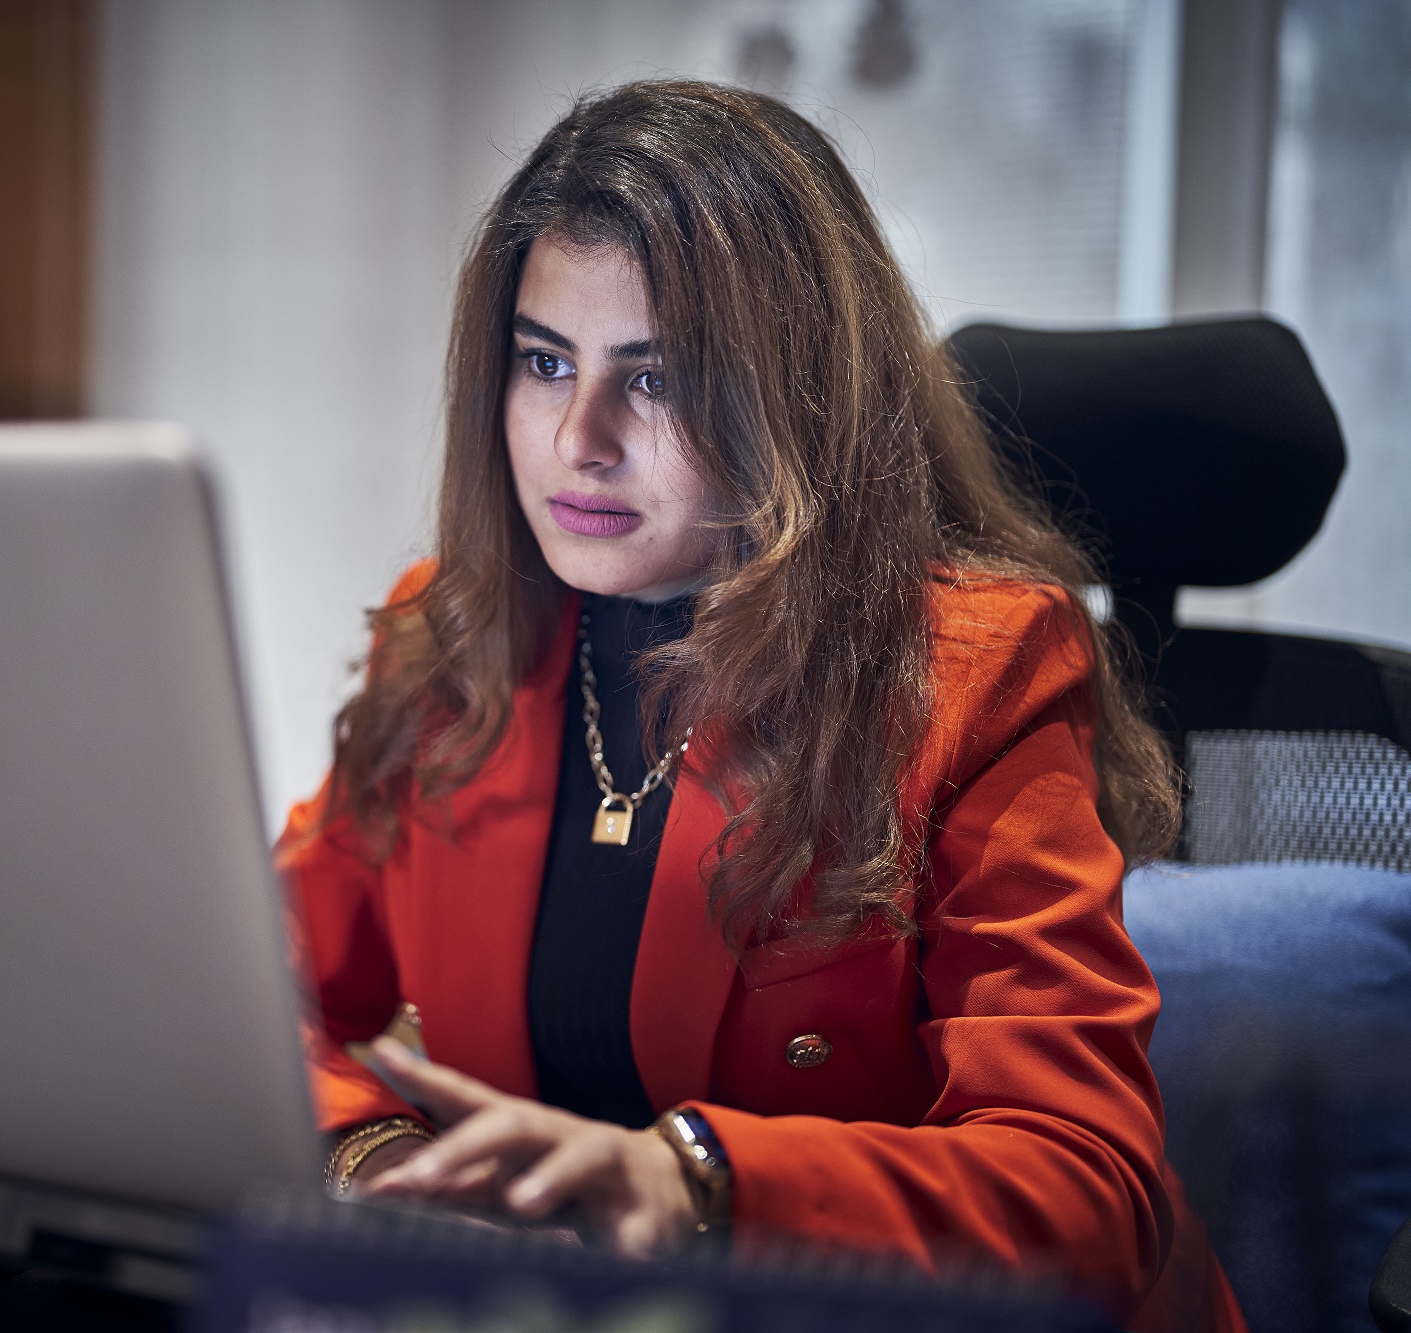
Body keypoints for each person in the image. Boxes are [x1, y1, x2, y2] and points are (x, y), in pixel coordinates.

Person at [276, 80, 1245, 1333]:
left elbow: (1082, 1191)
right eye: (543, 361)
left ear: (794, 395)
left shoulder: (972, 673)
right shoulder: (451, 641)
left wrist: (696, 1183)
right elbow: (263, 994)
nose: (577, 439)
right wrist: (376, 1158)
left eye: (655, 378)